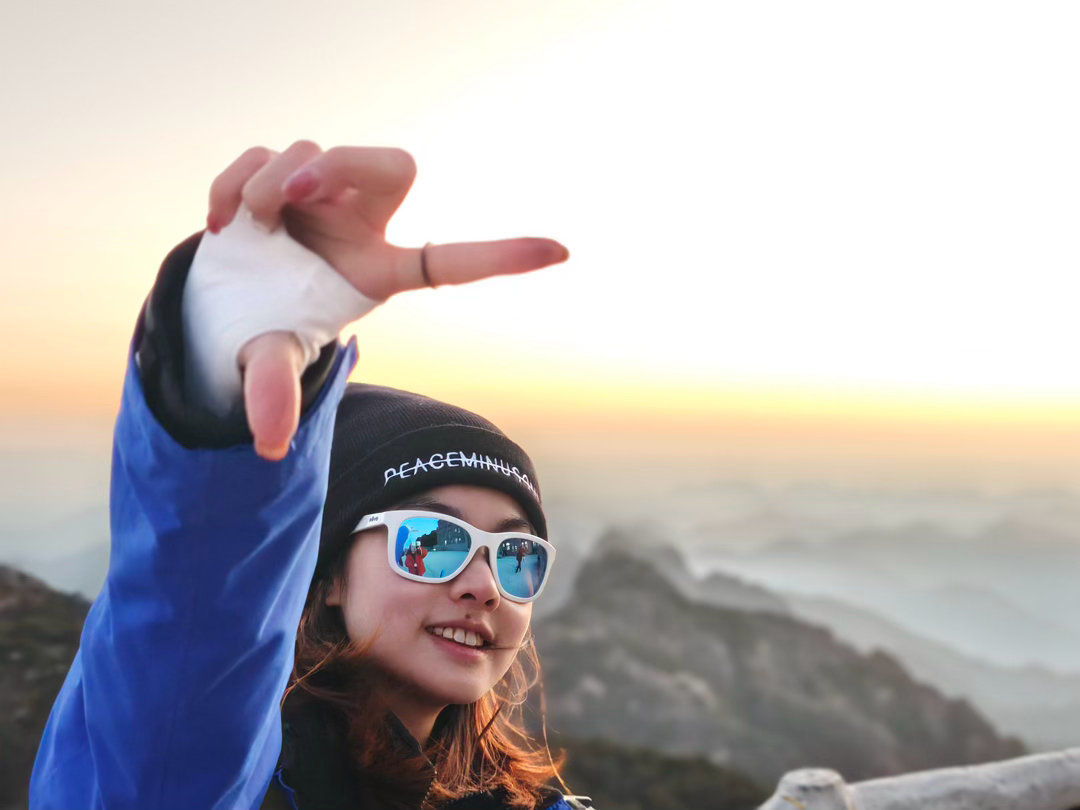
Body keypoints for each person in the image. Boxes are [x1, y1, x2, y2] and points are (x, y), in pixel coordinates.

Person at [29, 142, 590, 810]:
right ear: (327, 576)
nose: (483, 588)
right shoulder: (209, 773)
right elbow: (194, 623)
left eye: (516, 557)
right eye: (432, 540)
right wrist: (216, 367)